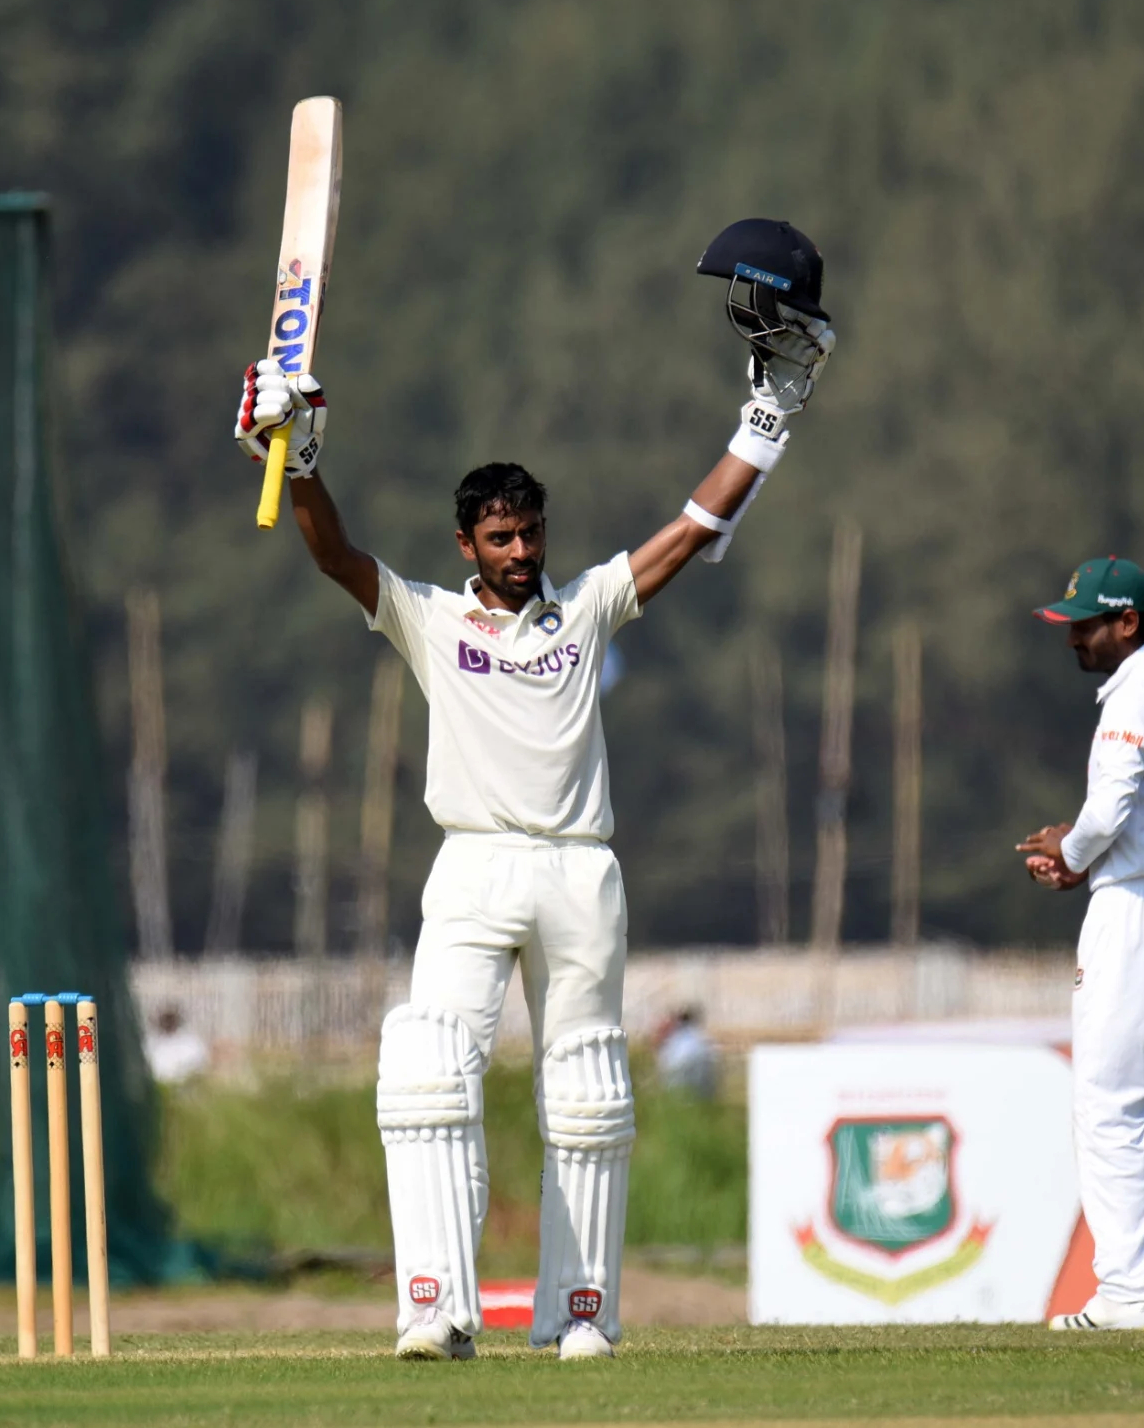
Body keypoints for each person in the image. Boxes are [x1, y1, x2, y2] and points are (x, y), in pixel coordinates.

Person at [233, 220, 836, 1360]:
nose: (520, 551)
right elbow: (331, 554)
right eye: (501, 537)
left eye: (531, 532)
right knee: (424, 1071)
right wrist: (295, 453)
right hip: (471, 865)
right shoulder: (426, 614)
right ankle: (436, 1305)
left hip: (578, 868)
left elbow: (694, 528)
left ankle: (579, 1315)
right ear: (465, 542)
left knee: (589, 1090)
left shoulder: (588, 606)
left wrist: (769, 416)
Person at [1017, 557, 1144, 1331]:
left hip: (1138, 904)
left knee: (1106, 1099)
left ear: (1128, 621)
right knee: (1121, 1093)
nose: (1074, 639)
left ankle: (1131, 1288)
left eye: (1086, 625)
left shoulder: (1140, 695)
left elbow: (1109, 808)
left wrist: (1070, 852)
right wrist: (1082, 856)